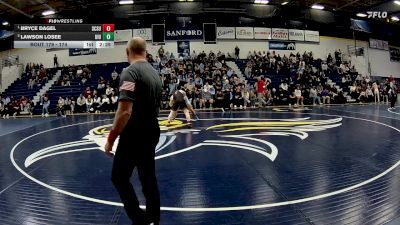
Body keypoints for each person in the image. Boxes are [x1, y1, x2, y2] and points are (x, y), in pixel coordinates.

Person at [105, 37, 162, 225]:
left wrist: (111, 139)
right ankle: (154, 219)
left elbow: (125, 111)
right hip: (152, 129)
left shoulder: (129, 73)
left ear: (127, 52)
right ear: (145, 52)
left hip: (134, 133)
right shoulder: (155, 74)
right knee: (148, 177)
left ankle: (139, 219)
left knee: (119, 177)